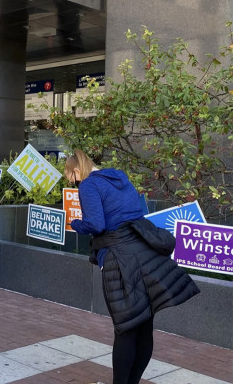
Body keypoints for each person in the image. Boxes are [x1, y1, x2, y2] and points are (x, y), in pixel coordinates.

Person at [64, 150, 200, 384]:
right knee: (145, 324)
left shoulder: (88, 186)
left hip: (120, 259)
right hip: (145, 252)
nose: (74, 183)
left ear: (77, 170)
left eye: (71, 178)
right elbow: (135, 213)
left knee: (125, 327)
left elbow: (96, 225)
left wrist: (75, 222)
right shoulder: (119, 178)